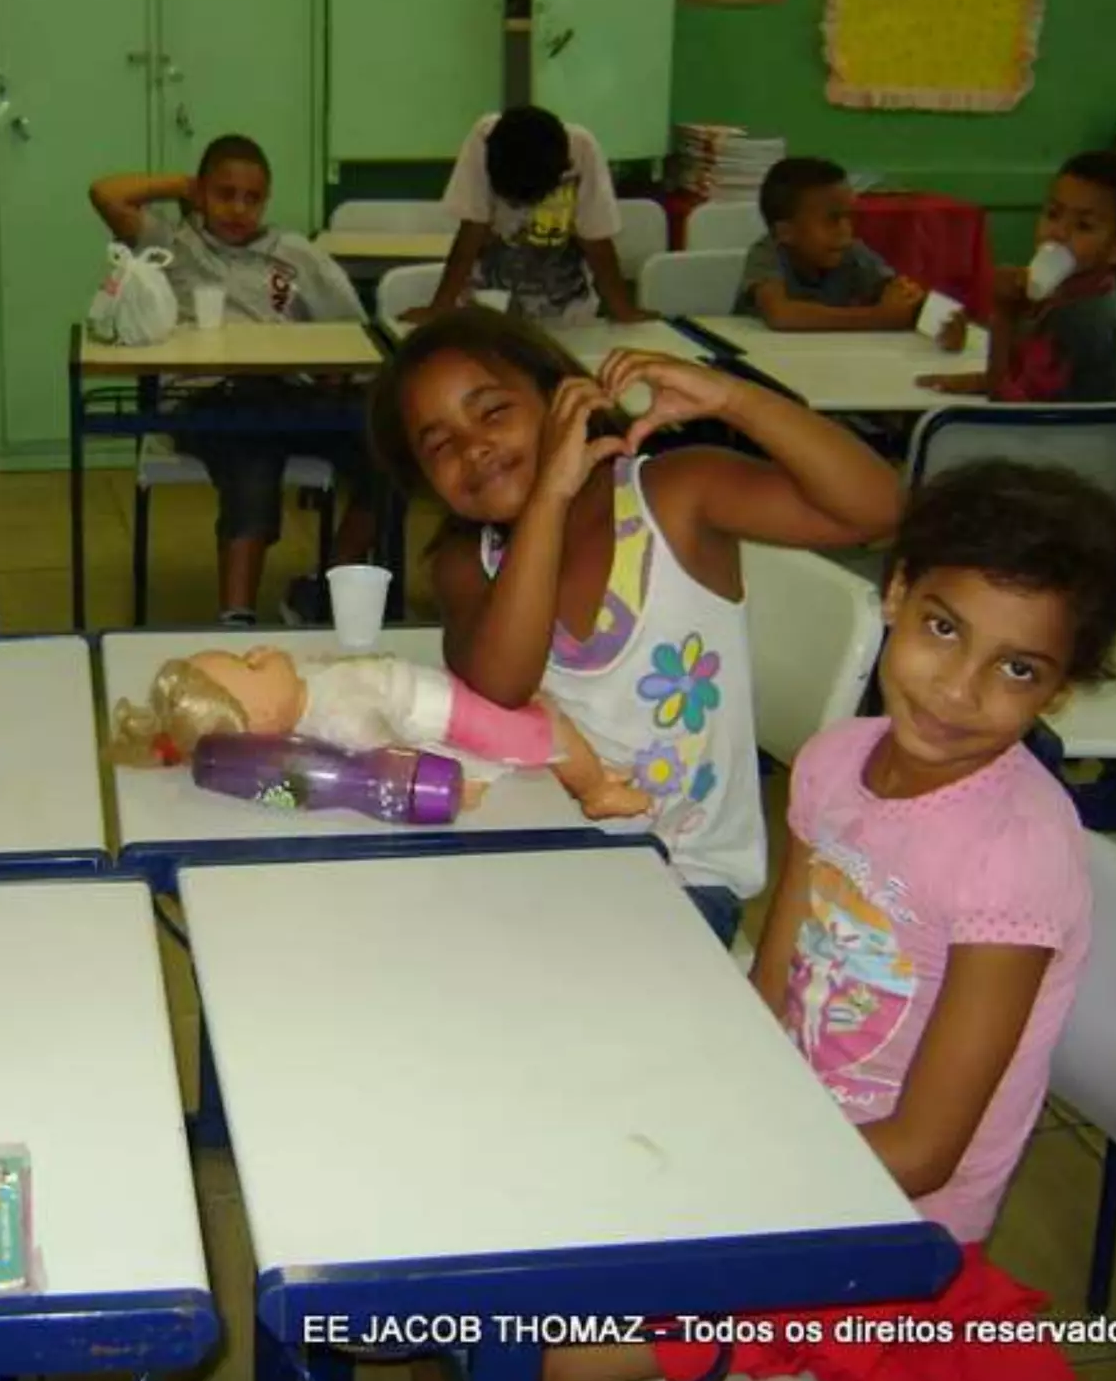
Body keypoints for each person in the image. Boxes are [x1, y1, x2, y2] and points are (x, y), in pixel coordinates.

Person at [541, 460, 1116, 1381]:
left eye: (1017, 669)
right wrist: (697, 1118)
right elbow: (771, 984)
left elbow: (927, 1151)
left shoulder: (1013, 855)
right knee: (512, 1225)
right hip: (790, 1134)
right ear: (897, 594)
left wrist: (717, 1183)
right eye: (943, 628)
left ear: (1059, 691)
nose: (958, 690)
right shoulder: (834, 762)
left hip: (887, 1223)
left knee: (532, 1353)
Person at [367, 307, 901, 944]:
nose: (472, 446)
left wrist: (731, 399)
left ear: (560, 397)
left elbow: (876, 509)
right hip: (532, 855)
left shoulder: (675, 495)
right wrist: (549, 500)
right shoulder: (467, 564)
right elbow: (504, 683)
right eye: (439, 445)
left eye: (493, 411)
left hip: (679, 880)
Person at [90, 134, 377, 626]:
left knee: (386, 446)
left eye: (253, 198)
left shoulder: (294, 253)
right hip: (204, 397)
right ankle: (236, 617)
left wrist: (332, 371)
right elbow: (106, 193)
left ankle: (326, 587)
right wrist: (183, 185)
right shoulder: (171, 243)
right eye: (224, 194)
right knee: (252, 451)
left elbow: (351, 331)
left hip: (286, 394)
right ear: (202, 193)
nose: (239, 209)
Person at [920, 150, 1116, 402]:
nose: (1058, 233)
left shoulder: (1079, 319)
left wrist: (1003, 316)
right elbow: (1020, 378)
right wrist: (978, 381)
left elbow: (1010, 409)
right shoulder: (1066, 293)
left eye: (1083, 226)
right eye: (1053, 214)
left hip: (1052, 429)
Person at [413, 105, 647, 326]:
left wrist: (623, 310)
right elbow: (472, 229)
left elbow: (596, 240)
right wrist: (440, 307)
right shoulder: (484, 140)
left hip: (567, 312)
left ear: (565, 168)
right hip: (489, 310)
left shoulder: (582, 149)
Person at [738, 156, 931, 331]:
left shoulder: (851, 253)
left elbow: (900, 297)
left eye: (849, 217)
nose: (846, 230)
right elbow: (780, 314)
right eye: (833, 219)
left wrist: (916, 306)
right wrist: (877, 318)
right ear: (785, 232)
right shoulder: (767, 254)